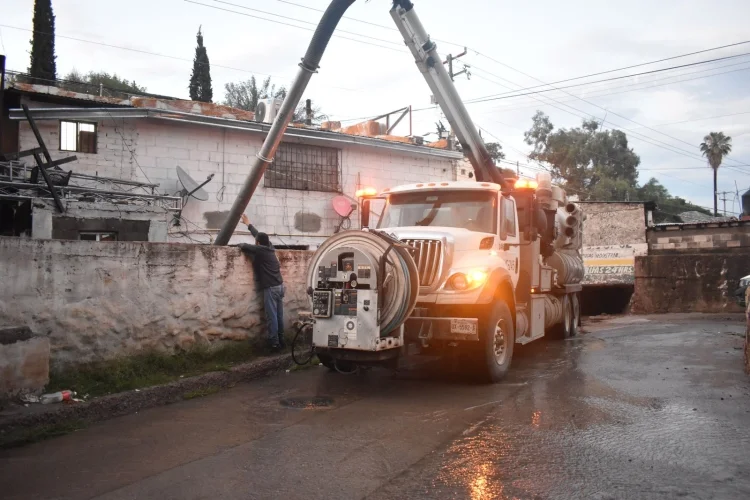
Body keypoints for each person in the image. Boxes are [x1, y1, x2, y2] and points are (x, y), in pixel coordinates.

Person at [237, 213, 286, 351]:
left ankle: (274, 343)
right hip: (280, 286)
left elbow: (244, 246)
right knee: (279, 315)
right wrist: (248, 224)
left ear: (258, 243)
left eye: (256, 241)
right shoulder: (269, 247)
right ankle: (282, 340)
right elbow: (258, 235)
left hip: (271, 287)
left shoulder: (260, 250)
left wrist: (238, 244)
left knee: (272, 317)